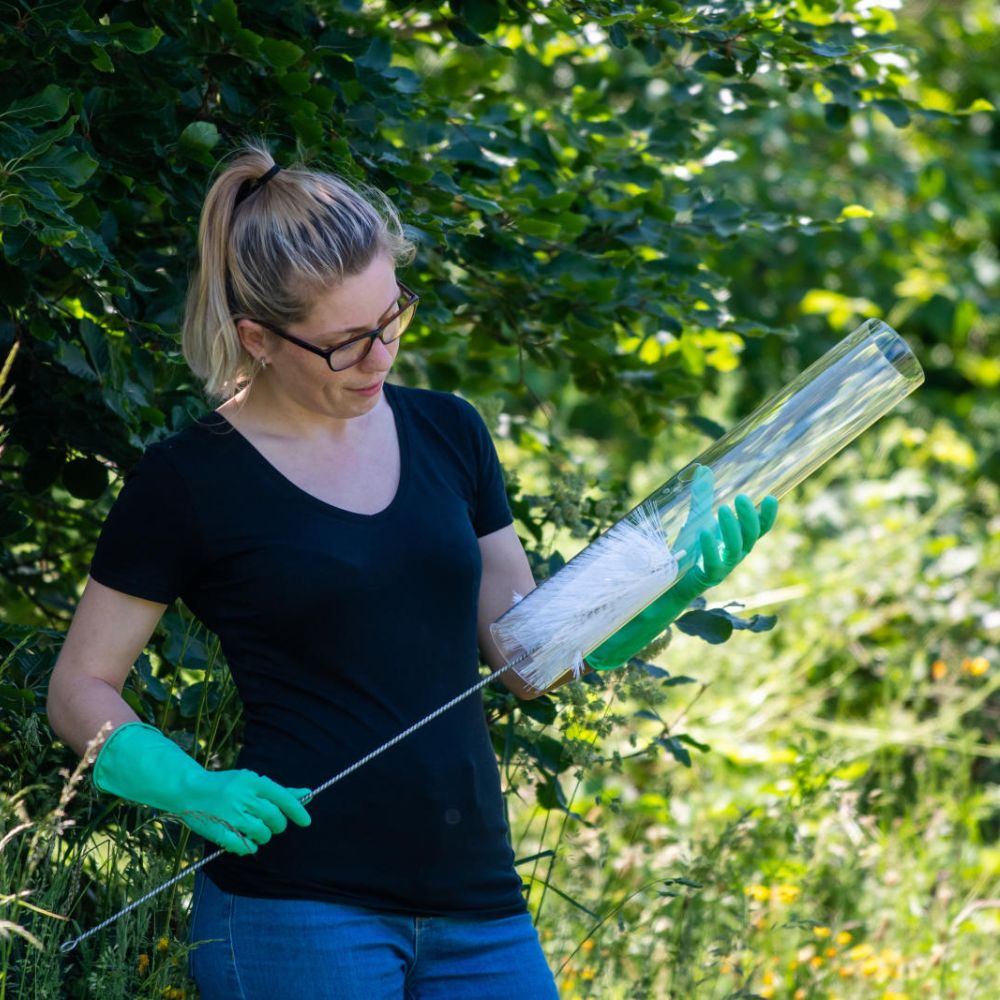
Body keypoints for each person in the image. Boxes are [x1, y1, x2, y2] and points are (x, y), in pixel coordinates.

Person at [46, 145, 778, 999]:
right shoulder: (189, 480)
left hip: (478, 901)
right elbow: (79, 686)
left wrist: (660, 594)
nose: (380, 355)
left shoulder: (449, 432)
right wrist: (185, 785)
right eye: (346, 342)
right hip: (295, 904)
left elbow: (523, 658)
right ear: (258, 339)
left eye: (392, 317)